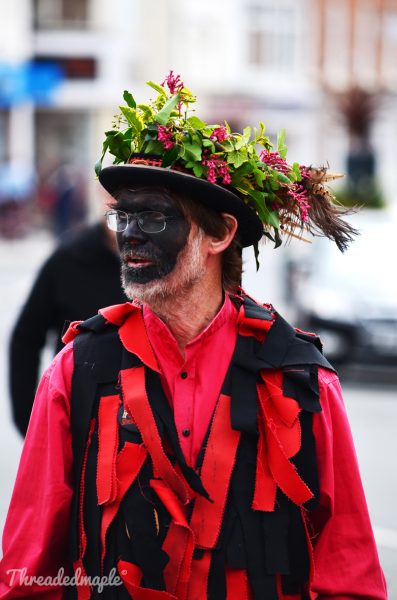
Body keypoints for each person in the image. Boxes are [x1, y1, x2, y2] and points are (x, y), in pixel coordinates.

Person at [0, 73, 387, 599]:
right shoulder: (77, 370)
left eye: (154, 217)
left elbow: (349, 574)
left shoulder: (304, 382)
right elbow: (26, 576)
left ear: (221, 234)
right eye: (122, 217)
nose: (130, 236)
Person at [9, 219, 127, 436]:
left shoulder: (162, 260)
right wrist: (30, 422)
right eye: (120, 212)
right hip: (79, 421)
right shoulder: (68, 259)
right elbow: (26, 338)